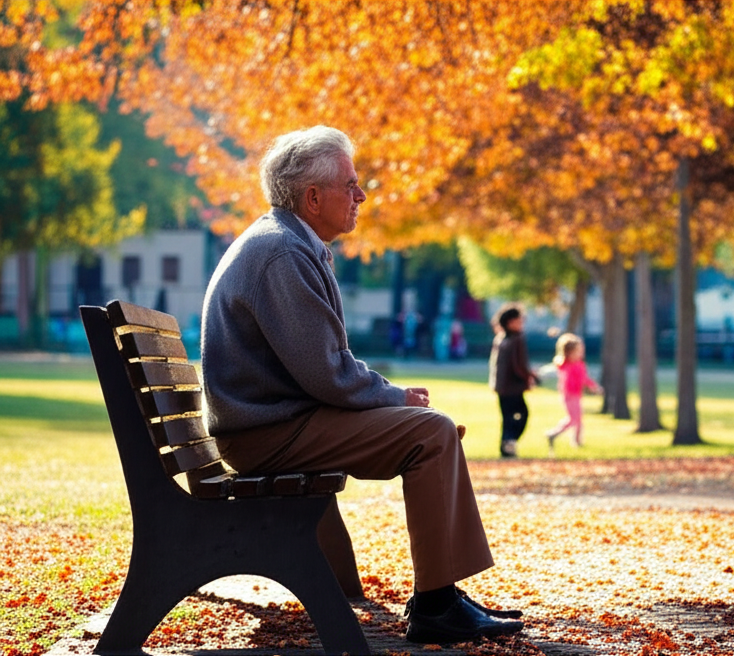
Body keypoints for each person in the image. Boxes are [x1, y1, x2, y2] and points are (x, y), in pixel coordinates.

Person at [201, 126, 523, 644]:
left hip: (273, 422)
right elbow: (327, 371)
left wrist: (392, 399)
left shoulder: (287, 242)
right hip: (268, 433)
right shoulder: (282, 253)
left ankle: (442, 594)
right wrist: (394, 397)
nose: (361, 195)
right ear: (312, 197)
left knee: (432, 429)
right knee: (432, 433)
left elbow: (324, 366)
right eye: (350, 184)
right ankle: (437, 603)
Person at [488, 303, 540, 458]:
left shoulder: (500, 339)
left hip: (501, 387)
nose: (522, 323)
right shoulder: (517, 339)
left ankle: (505, 447)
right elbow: (520, 365)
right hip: (513, 387)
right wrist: (530, 378)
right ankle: (510, 442)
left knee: (507, 418)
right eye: (519, 320)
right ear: (511, 322)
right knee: (522, 414)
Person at [545, 333, 603, 452]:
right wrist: (592, 387)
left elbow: (584, 378)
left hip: (576, 394)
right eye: (577, 351)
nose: (580, 354)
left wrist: (593, 386)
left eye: (581, 351)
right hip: (569, 395)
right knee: (573, 419)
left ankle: (577, 441)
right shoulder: (566, 366)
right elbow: (577, 379)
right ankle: (554, 433)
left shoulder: (580, 365)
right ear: (569, 353)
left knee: (578, 419)